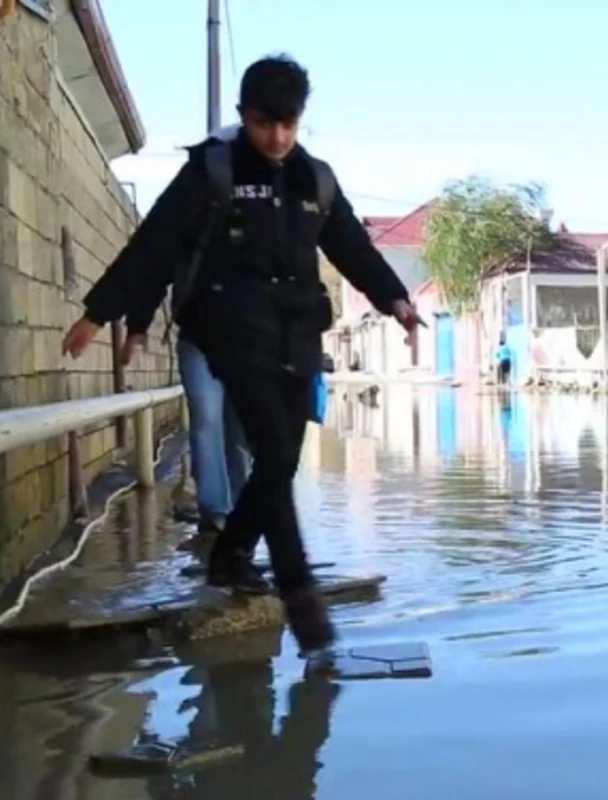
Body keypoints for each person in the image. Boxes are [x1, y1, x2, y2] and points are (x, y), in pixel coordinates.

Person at [62, 54, 421, 654]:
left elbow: (353, 249)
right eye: (264, 124)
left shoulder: (316, 181)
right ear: (243, 116)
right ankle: (300, 597)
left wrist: (397, 301)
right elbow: (155, 243)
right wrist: (103, 312)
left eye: (288, 125)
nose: (277, 138)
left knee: (281, 460)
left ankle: (230, 554)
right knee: (272, 451)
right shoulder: (213, 171)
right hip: (228, 331)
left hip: (296, 335)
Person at [121, 296, 251, 540]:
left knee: (241, 430)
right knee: (206, 419)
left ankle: (241, 518)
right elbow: (150, 265)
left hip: (250, 340)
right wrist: (136, 325)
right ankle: (215, 515)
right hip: (198, 335)